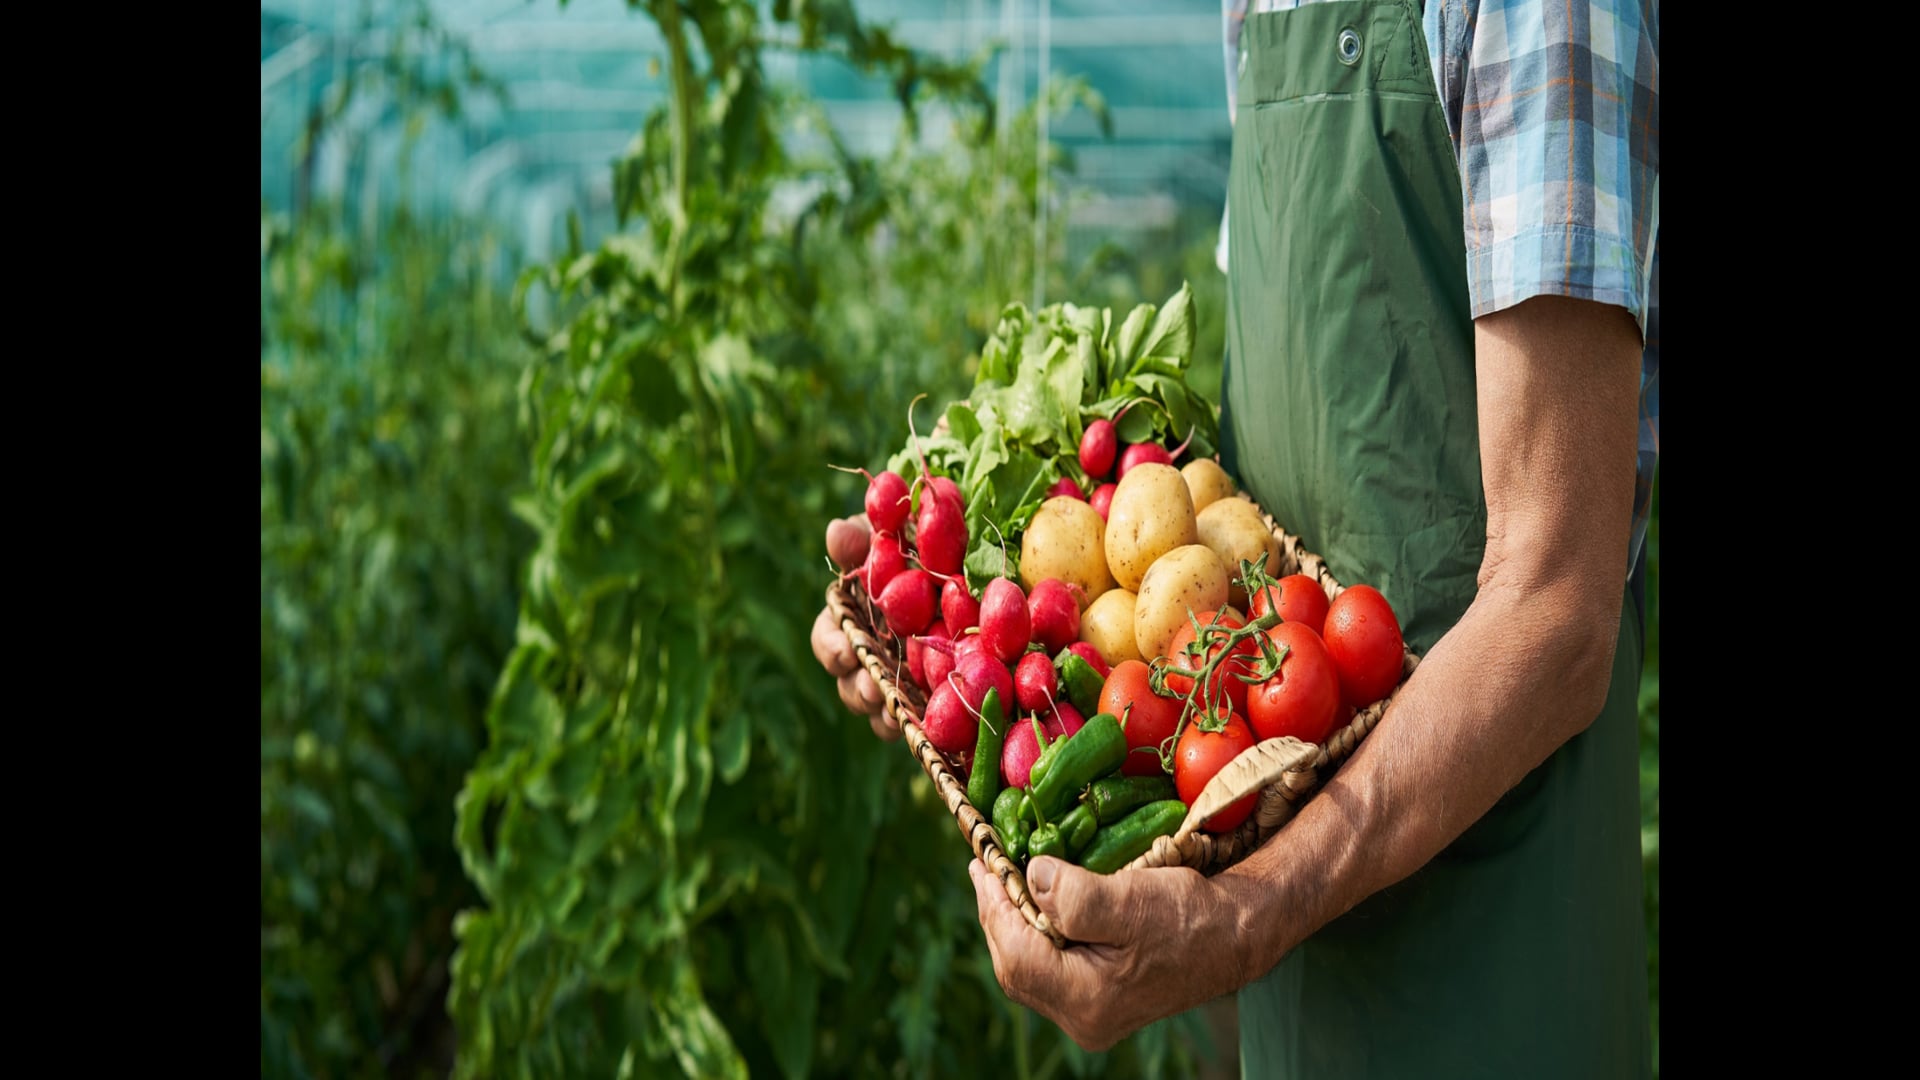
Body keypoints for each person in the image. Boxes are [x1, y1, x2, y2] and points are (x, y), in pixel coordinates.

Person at [810, 0, 1658, 1074]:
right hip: (1290, 909)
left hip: (1490, 935)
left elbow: (1555, 612)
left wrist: (1247, 916)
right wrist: (946, 620)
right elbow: (1258, 491)